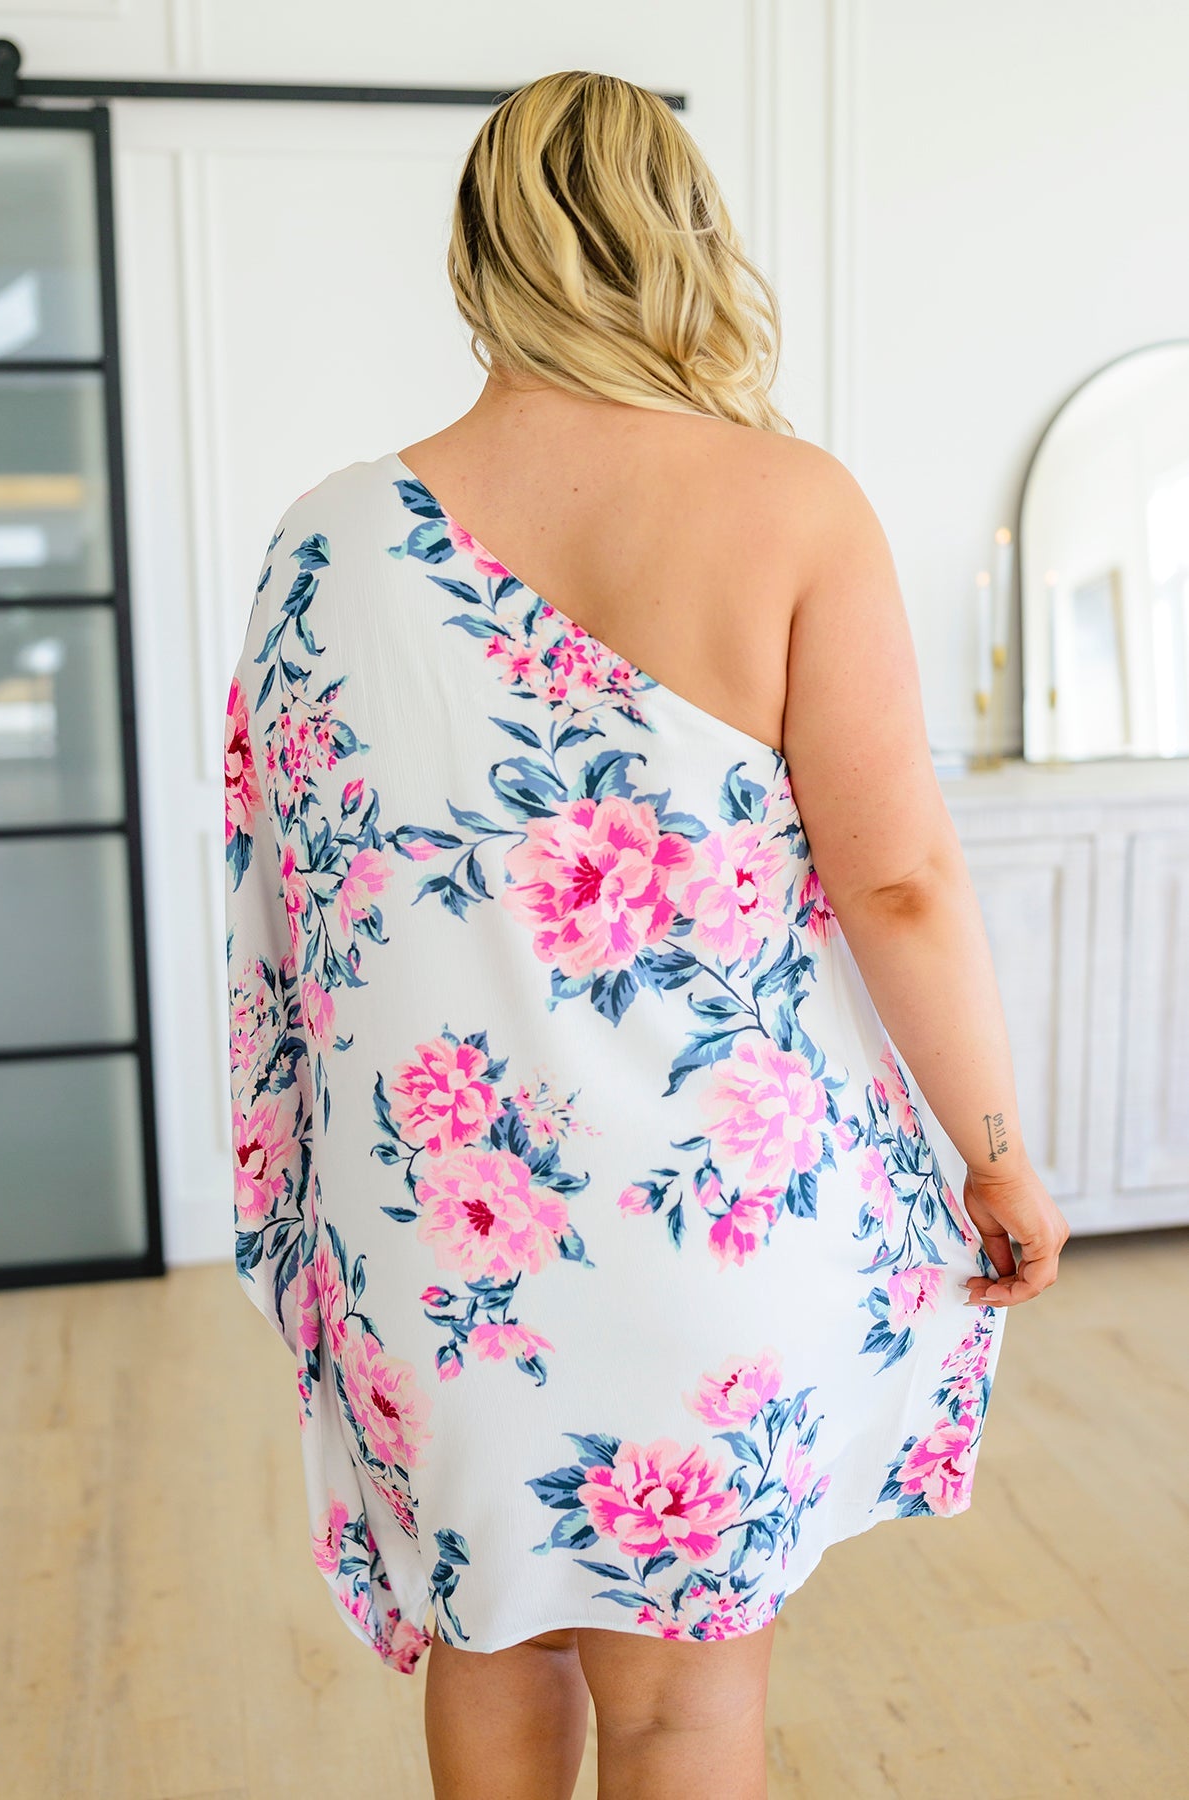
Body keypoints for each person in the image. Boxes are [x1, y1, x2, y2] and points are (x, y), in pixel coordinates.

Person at [223, 68, 1069, 1800]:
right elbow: (898, 880)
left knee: (492, 1646)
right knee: (683, 1704)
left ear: (476, 254)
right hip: (713, 1233)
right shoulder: (788, 504)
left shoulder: (323, 540)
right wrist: (992, 1151)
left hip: (440, 1242)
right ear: (687, 241)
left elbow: (296, 922)